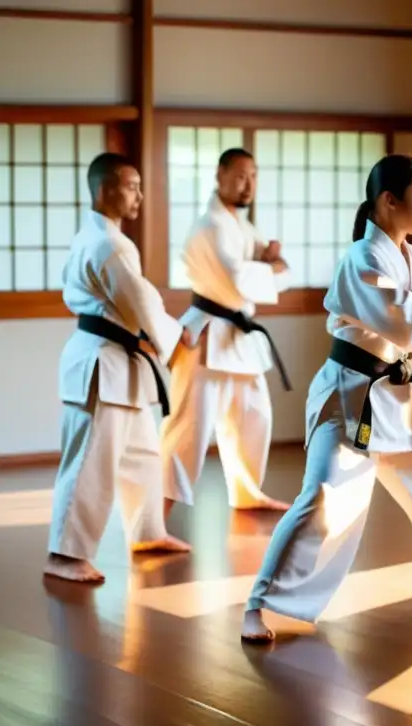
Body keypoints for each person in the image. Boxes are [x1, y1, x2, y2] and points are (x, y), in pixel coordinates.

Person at [241, 154, 412, 642]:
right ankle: (261, 604)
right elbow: (401, 322)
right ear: (389, 200)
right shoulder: (362, 257)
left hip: (402, 396)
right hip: (353, 396)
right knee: (324, 497)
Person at [45, 152, 192, 584]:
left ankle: (148, 531)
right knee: (91, 462)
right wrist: (175, 333)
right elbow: (140, 300)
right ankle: (64, 555)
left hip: (117, 362)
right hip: (101, 362)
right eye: (131, 186)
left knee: (142, 454)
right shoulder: (109, 243)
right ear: (104, 190)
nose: (139, 196)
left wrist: (165, 331)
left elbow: (138, 297)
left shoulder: (98, 237)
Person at [161, 148, 292, 521]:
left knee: (254, 417)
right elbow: (240, 281)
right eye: (240, 175)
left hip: (239, 338)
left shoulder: (243, 227)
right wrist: (272, 265)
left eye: (254, 175)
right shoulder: (210, 226)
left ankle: (247, 492)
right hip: (205, 335)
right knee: (190, 430)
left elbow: (267, 273)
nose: (248, 183)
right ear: (219, 176)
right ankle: (152, 517)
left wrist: (269, 265)